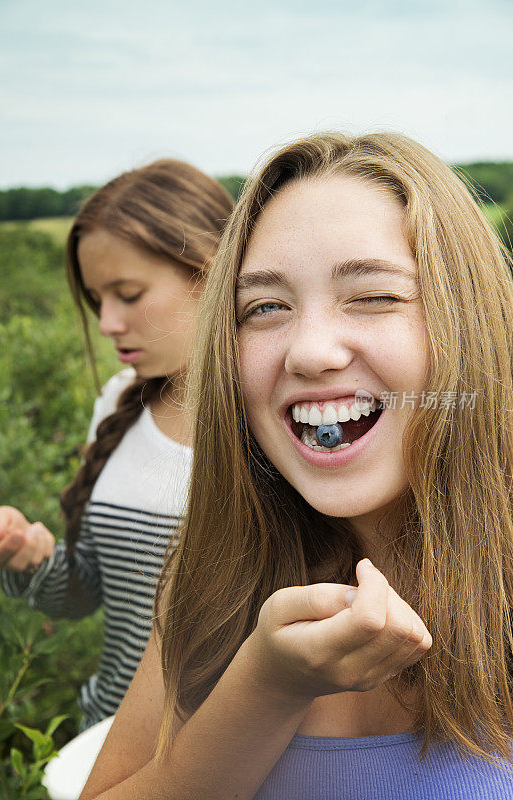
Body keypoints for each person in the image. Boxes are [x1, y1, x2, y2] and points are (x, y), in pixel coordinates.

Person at [81, 130, 513, 799]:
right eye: (266, 307)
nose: (309, 352)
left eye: (373, 295)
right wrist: (265, 687)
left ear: (470, 323)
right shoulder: (211, 574)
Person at [0, 160, 234, 730]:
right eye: (98, 299)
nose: (106, 323)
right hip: (104, 744)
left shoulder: (282, 424)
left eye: (128, 293)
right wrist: (35, 560)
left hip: (236, 765)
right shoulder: (119, 401)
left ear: (212, 271)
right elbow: (90, 595)